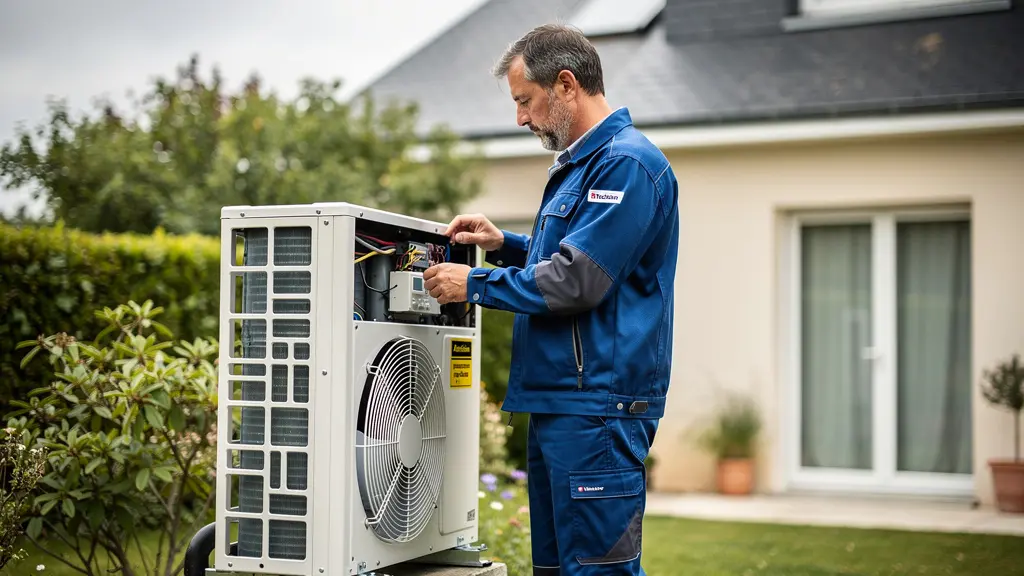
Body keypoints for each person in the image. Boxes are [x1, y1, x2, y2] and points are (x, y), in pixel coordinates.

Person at [423, 23, 679, 576]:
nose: (520, 118)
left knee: (595, 572)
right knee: (555, 570)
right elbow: (571, 260)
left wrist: (474, 284)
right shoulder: (582, 167)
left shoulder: (627, 166)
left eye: (525, 100)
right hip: (562, 405)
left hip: (597, 412)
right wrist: (506, 245)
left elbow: (577, 281)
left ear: (565, 85)